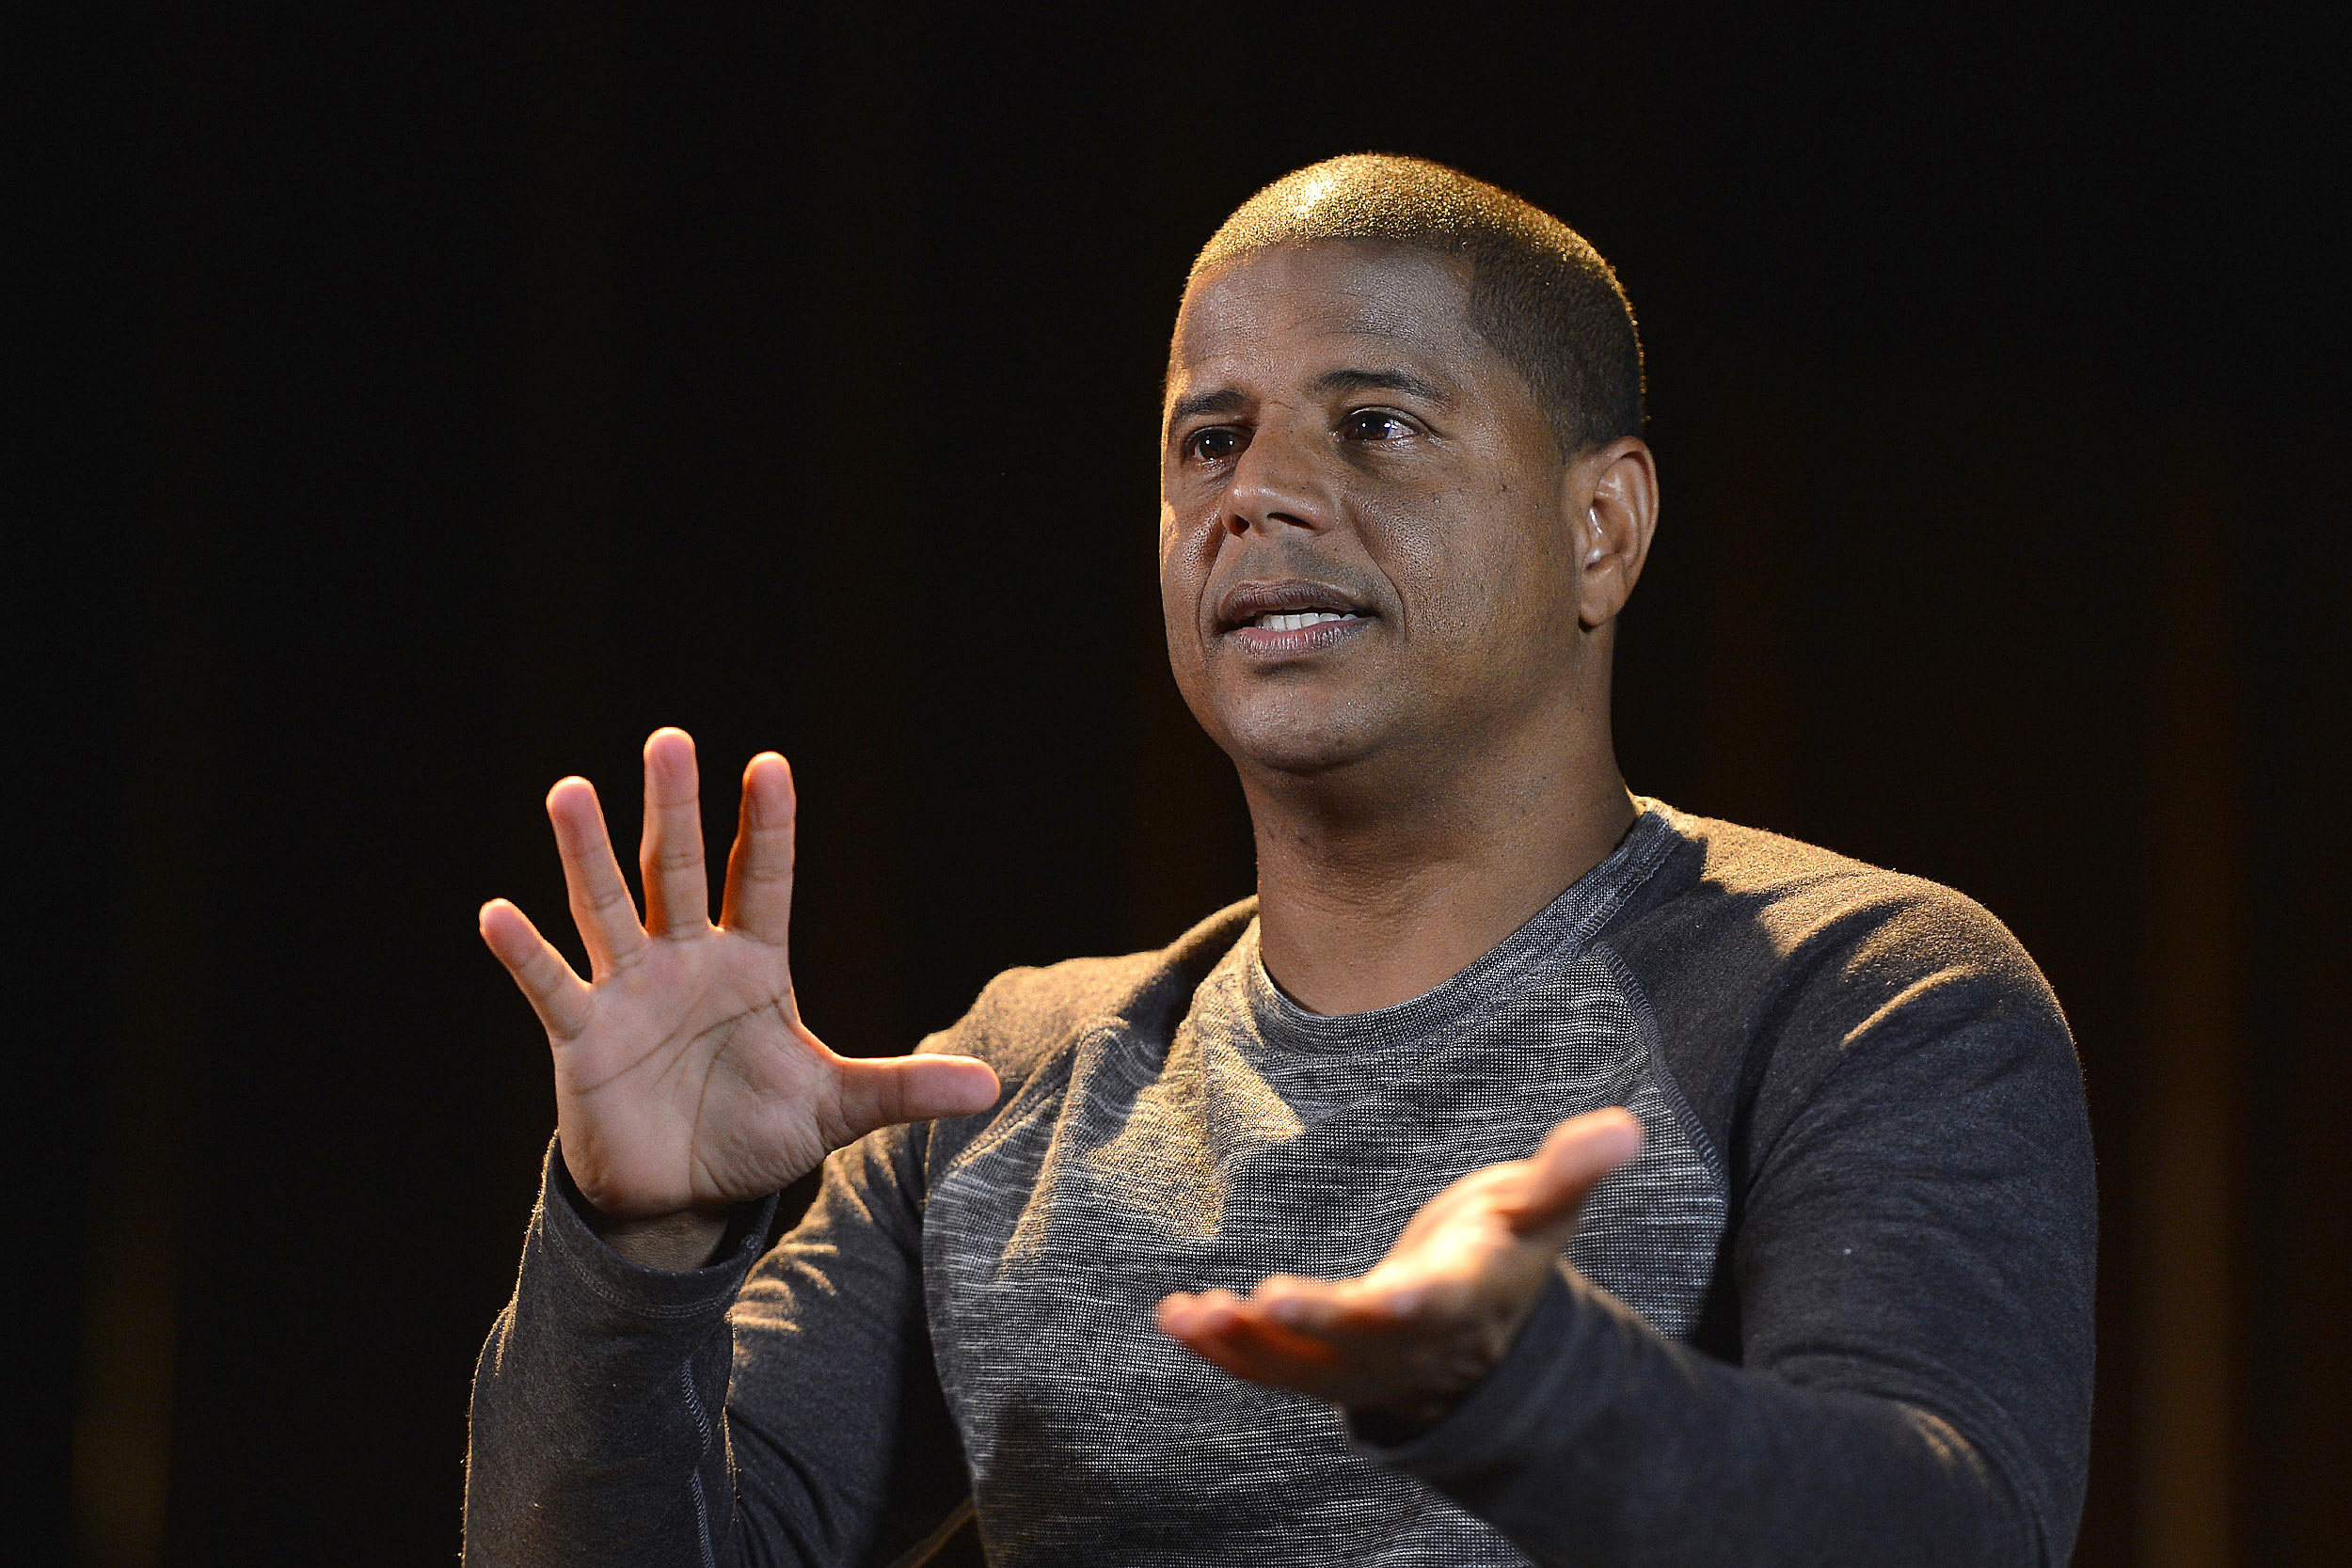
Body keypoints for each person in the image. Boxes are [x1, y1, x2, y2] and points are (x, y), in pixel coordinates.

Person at [464, 155, 2094, 1567]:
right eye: (1209, 441)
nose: (1261, 495)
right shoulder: (1004, 1085)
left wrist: (1526, 1387)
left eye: (1374, 426)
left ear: (1602, 528)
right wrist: (636, 1255)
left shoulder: (1861, 995)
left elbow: (1951, 1531)